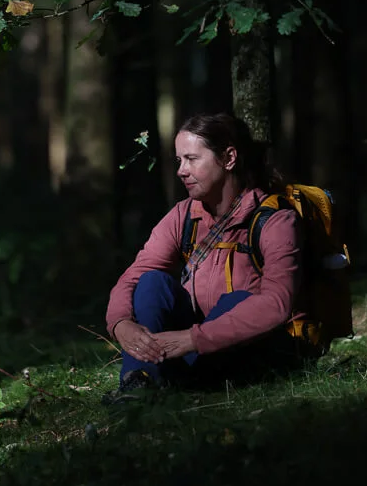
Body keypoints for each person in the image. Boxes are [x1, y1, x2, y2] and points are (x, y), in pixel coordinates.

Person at [105, 112, 305, 395]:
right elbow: (132, 278)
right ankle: (137, 384)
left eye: (192, 159)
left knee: (239, 300)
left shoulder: (274, 221)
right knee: (152, 282)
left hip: (246, 351)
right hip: (190, 347)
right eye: (179, 161)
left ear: (229, 158)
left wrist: (193, 338)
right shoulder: (182, 215)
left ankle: (176, 382)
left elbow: (276, 304)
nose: (181, 171)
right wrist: (121, 324)